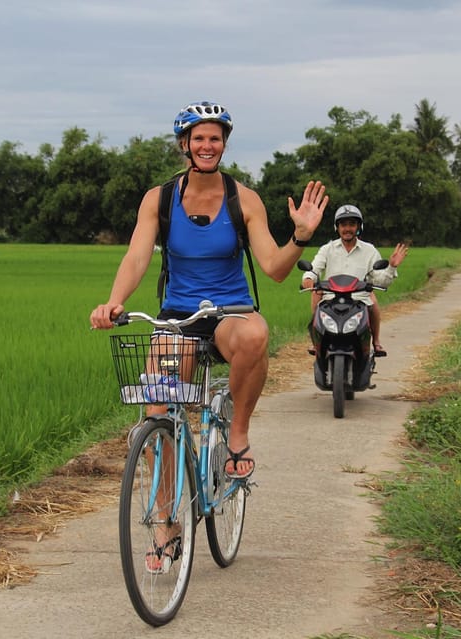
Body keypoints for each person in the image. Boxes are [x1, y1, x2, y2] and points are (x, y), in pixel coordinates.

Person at [90, 99, 328, 482]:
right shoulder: (160, 199)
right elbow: (137, 257)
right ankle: (166, 528)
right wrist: (114, 302)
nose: (207, 145)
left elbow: (275, 269)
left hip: (230, 313)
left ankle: (237, 432)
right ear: (184, 144)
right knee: (159, 416)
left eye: (215, 138)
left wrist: (300, 235)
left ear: (224, 144)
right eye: (198, 137)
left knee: (256, 333)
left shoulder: (244, 200)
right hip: (177, 319)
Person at [301, 204, 408, 356]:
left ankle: (376, 342)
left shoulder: (369, 250)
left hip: (359, 300)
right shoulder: (327, 249)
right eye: (343, 224)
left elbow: (381, 280)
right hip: (331, 298)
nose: (347, 229)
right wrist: (308, 278)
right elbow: (314, 268)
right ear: (337, 227)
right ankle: (316, 340)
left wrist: (391, 266)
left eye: (352, 224)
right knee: (315, 293)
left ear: (359, 226)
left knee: (373, 302)